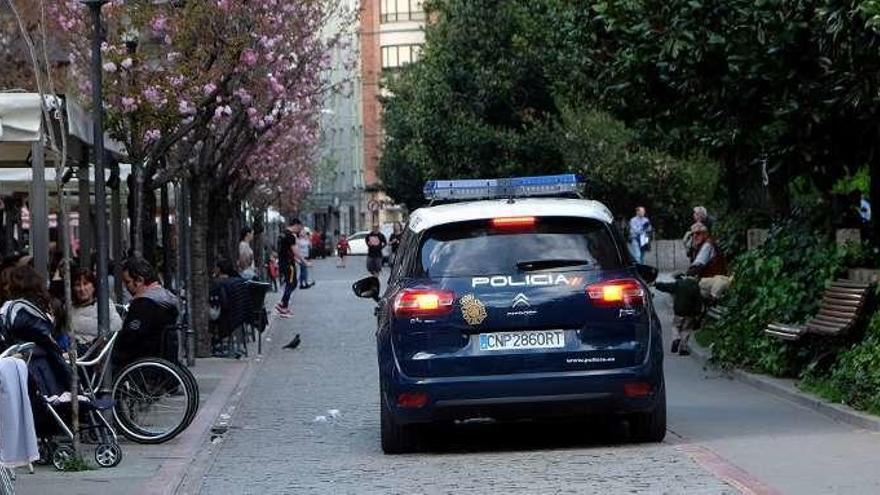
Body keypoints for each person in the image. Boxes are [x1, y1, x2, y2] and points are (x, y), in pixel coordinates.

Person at [0, 265, 71, 397]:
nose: (5, 288)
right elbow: (50, 344)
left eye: (7, 284)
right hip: (40, 376)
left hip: (27, 375)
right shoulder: (30, 310)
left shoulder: (16, 310)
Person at [115, 257, 179, 369]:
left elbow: (130, 337)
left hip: (141, 360)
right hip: (159, 358)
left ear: (139, 280)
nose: (126, 287)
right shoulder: (164, 300)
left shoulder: (143, 305)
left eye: (128, 282)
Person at [70, 269, 123, 348]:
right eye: (78, 285)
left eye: (86, 284)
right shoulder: (69, 307)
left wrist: (77, 322)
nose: (82, 289)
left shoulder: (104, 304)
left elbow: (117, 325)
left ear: (93, 286)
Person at [275, 218, 307, 317]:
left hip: (283, 262)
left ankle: (283, 304)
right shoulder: (290, 236)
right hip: (289, 264)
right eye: (299, 228)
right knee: (292, 283)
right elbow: (294, 251)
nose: (299, 231)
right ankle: (284, 307)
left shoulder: (282, 234)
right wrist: (304, 261)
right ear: (296, 225)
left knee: (291, 283)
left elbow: (284, 250)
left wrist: (296, 260)